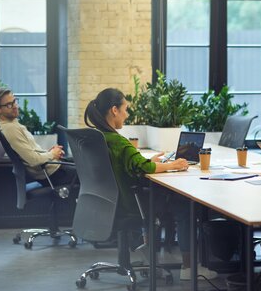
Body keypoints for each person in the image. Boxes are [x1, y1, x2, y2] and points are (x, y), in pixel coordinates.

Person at [84, 88, 217, 281]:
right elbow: (144, 167)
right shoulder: (119, 142)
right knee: (185, 205)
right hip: (129, 205)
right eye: (125, 109)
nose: (126, 114)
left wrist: (153, 161)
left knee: (152, 198)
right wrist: (174, 164)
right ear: (114, 110)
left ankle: (149, 255)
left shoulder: (98, 138)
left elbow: (132, 164)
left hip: (107, 203)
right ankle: (189, 267)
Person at [0, 87, 77, 188]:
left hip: (52, 168)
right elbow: (33, 160)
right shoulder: (10, 129)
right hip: (53, 174)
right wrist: (52, 154)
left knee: (85, 164)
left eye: (14, 101)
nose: (15, 106)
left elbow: (30, 152)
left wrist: (49, 153)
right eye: (9, 105)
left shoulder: (10, 124)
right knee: (92, 174)